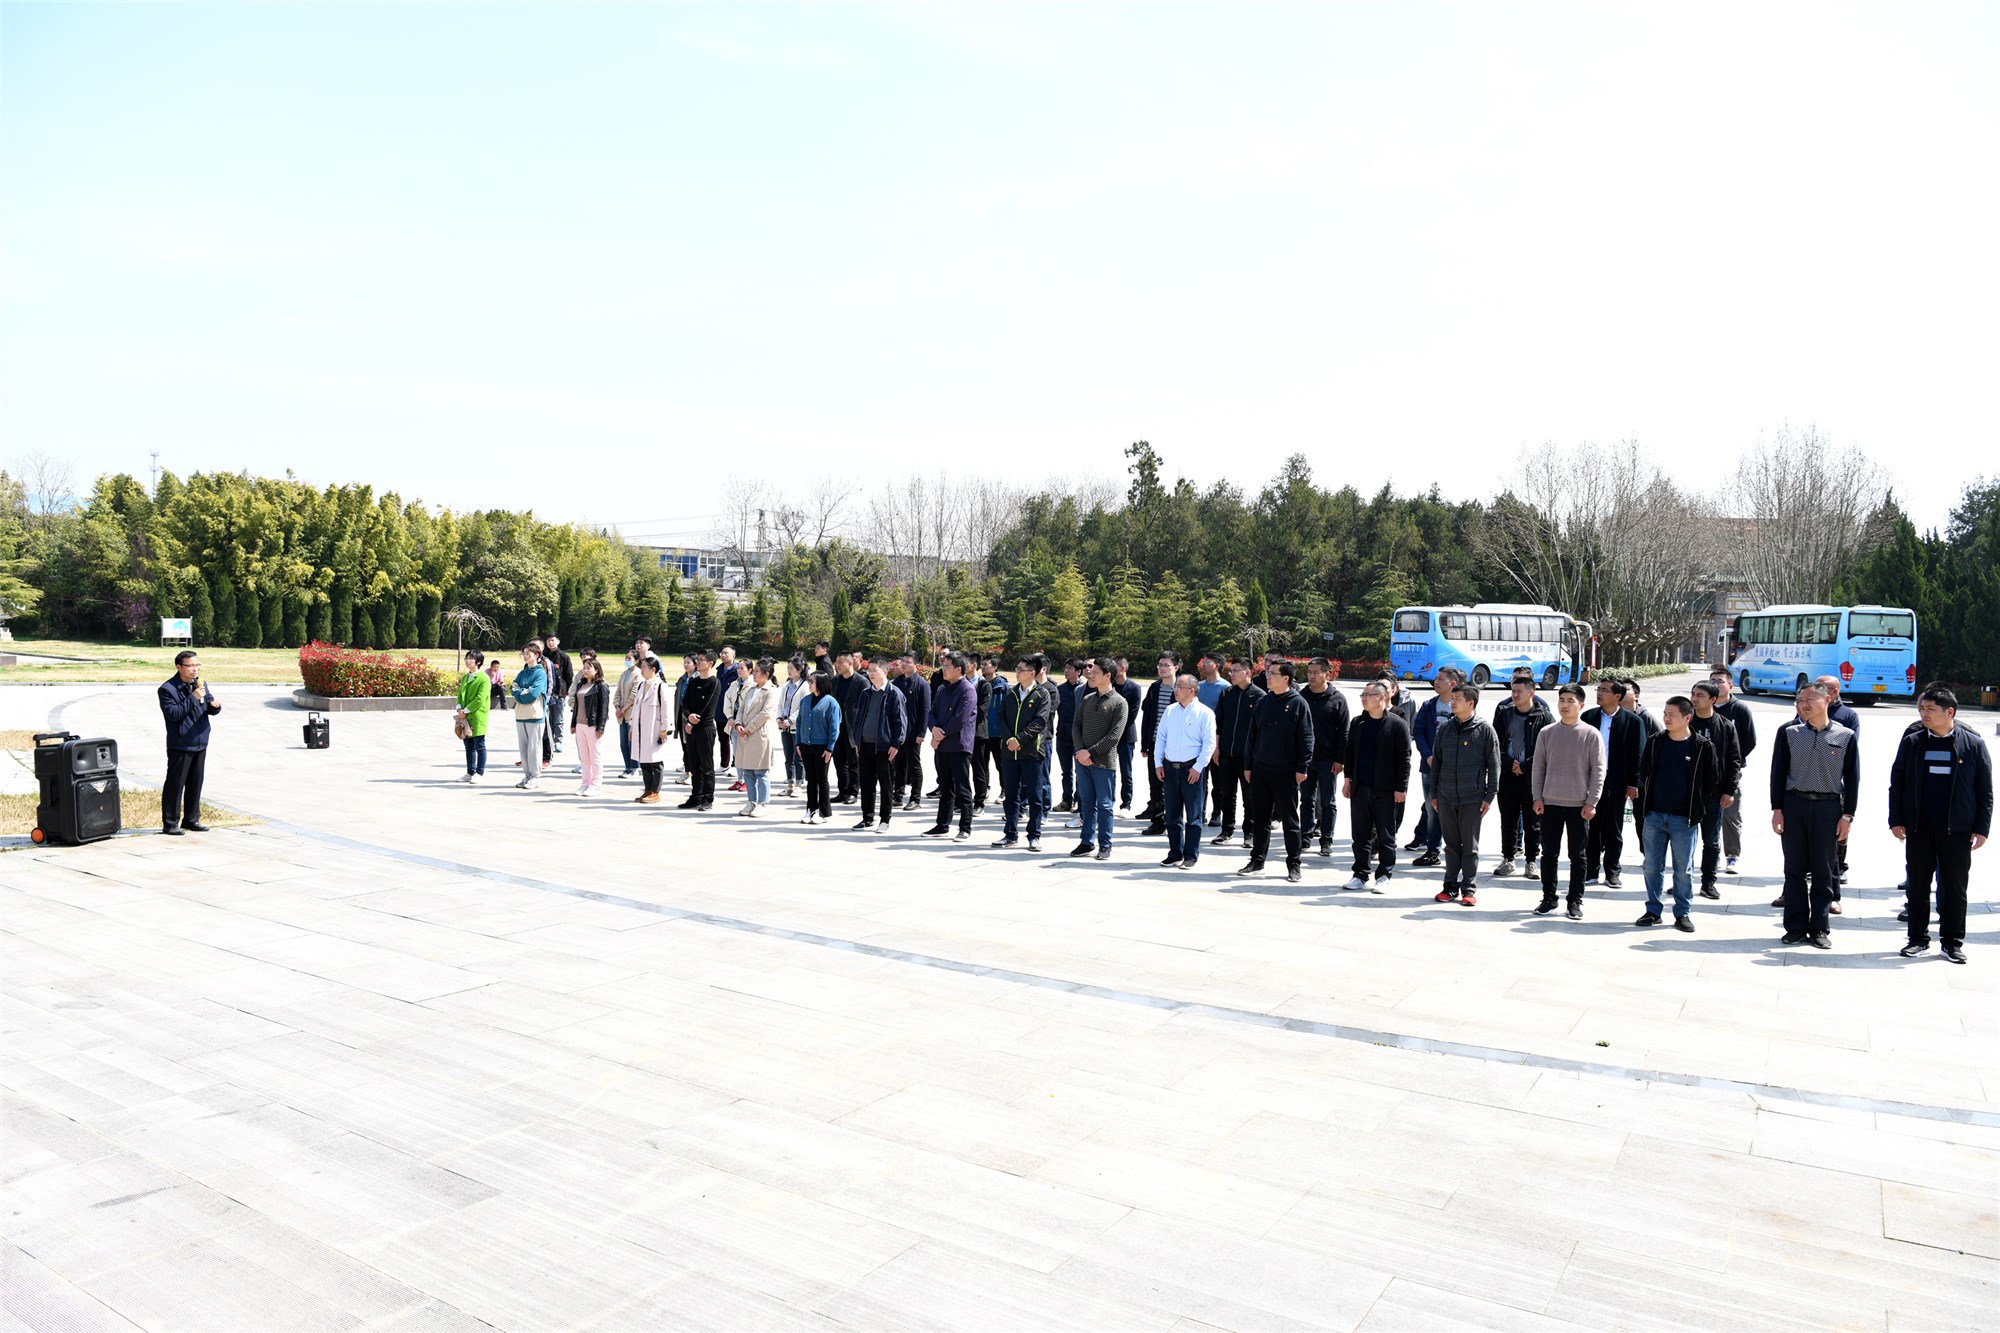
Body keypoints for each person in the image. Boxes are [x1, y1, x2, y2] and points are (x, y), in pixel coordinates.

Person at [1891, 686, 1992, 964]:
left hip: (1957, 829)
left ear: (1950, 712)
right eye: (1921, 709)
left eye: (1930, 709)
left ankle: (1952, 942)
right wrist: (1896, 819)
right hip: (1919, 827)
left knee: (1955, 888)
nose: (1924, 714)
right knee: (1917, 886)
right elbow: (1897, 782)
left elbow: (1985, 790)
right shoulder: (1912, 742)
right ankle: (1917, 939)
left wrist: (1982, 827)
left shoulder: (1973, 744)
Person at [1769, 682, 1859, 949]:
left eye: (1809, 699)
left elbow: (1853, 778)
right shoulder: (1789, 733)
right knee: (1794, 869)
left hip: (1828, 808)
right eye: (1800, 700)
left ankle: (1819, 928)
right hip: (1794, 804)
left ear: (1827, 700)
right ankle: (1795, 926)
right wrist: (1777, 809)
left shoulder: (1845, 735)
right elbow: (1777, 773)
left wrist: (1848, 815)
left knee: (1823, 870)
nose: (1803, 704)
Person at [1633, 696, 1720, 932]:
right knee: (1652, 866)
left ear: (1687, 717)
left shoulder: (1702, 747)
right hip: (1654, 815)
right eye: (1665, 713)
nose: (1666, 718)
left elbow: (1711, 781)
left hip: (1684, 818)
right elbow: (1644, 771)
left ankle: (1682, 912)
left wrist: (1696, 805)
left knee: (1683, 869)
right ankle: (1653, 910)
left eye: (1671, 714)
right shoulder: (1655, 742)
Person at [1531, 684, 1605, 919]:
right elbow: (1538, 767)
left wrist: (1592, 801)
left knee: (1578, 856)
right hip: (1550, 803)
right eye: (1562, 699)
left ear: (1581, 705)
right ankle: (1548, 898)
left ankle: (1575, 901)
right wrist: (1537, 797)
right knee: (1549, 854)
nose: (1565, 705)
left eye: (1570, 701)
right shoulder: (1547, 733)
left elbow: (1598, 770)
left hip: (1579, 805)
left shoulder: (1591, 734)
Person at [1240, 659, 1313, 882]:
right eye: (1267, 672)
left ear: (1286, 678)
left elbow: (1306, 738)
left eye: (1272, 673)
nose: (1268, 676)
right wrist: (1248, 765)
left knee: (1290, 821)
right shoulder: (1263, 701)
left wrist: (1302, 768)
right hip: (1260, 768)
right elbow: (1252, 735)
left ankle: (1294, 864)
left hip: (1286, 771)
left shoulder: (1298, 703)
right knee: (1260, 818)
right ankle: (1257, 860)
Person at [1430, 683, 1498, 905]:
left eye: (1457, 699)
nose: (1452, 702)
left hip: (1472, 798)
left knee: (1470, 846)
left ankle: (1468, 888)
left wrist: (1489, 796)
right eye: (1452, 698)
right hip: (1446, 796)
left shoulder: (1484, 730)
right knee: (1451, 845)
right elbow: (1437, 763)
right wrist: (1434, 793)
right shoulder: (1445, 729)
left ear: (1471, 703)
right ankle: (1449, 887)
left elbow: (1494, 765)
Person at [1342, 681, 1411, 890]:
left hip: (1386, 791)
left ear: (1381, 698)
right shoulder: (1358, 723)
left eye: (1367, 695)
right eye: (1362, 695)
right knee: (1360, 835)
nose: (1363, 699)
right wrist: (1347, 780)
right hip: (1360, 788)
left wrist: (1401, 788)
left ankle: (1384, 875)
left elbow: (1404, 759)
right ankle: (1360, 874)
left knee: (1386, 835)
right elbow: (1350, 752)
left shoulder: (1397, 724)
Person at [1146, 672, 1216, 868]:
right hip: (1170, 769)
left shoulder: (1204, 713)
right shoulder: (1170, 711)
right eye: (1176, 686)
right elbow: (1161, 738)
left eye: (1179, 687)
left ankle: (1190, 855)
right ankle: (1175, 852)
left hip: (1191, 769)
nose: (1175, 690)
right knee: (1172, 815)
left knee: (1193, 817)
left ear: (1191, 690)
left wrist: (1198, 767)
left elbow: (1209, 744)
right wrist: (1158, 763)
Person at [1582, 679, 1644, 890]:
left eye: (1604, 690)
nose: (1599, 693)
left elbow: (1638, 754)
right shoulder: (1588, 717)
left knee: (1613, 829)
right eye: (1598, 689)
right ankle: (1590, 871)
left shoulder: (1633, 721)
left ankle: (1612, 872)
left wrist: (1633, 783)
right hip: (1590, 779)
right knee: (1590, 827)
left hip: (1616, 781)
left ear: (1618, 696)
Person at [1685, 682, 1742, 900]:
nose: (1694, 698)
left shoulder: (1725, 726)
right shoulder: (1685, 721)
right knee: (1684, 840)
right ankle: (1683, 880)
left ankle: (1708, 882)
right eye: (1693, 694)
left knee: (1711, 840)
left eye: (1700, 695)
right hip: (1686, 792)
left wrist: (1729, 790)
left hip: (1714, 793)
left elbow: (1734, 760)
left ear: (1712, 699)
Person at [1492, 677, 1552, 878]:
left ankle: (1531, 861)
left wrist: (1526, 766)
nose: (1515, 695)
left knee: (1533, 821)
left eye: (1520, 691)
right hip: (1508, 776)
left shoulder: (1544, 717)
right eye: (1513, 691)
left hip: (1533, 777)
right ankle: (1508, 858)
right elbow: (1495, 744)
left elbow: (1548, 749)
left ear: (1531, 693)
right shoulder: (1504, 714)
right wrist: (1509, 763)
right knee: (1508, 819)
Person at [158, 649, 222, 834]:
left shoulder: (200, 684)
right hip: (181, 743)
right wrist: (193, 697)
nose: (195, 669)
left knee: (195, 783)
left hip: (200, 741)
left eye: (197, 665)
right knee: (176, 784)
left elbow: (207, 707)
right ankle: (170, 823)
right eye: (190, 666)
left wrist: (215, 707)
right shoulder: (167, 689)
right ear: (179, 667)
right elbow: (174, 713)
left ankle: (191, 820)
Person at [993, 656, 1055, 850]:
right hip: (1010, 753)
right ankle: (1010, 834)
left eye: (1021, 669)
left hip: (1032, 753)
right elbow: (1001, 717)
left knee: (1035, 796)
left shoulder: (1042, 694)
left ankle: (1034, 836)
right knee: (1011, 795)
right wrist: (1009, 740)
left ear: (1032, 673)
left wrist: (1019, 740)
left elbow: (1040, 722)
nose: (1017, 672)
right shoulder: (1011, 693)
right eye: (1017, 668)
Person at [1071, 657, 1128, 861]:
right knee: (1087, 803)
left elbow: (1114, 736)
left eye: (1095, 672)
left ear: (1108, 675)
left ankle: (1105, 844)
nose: (1090, 674)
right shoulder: (1087, 699)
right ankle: (1087, 842)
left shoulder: (1119, 702)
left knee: (1104, 805)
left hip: (1103, 763)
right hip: (1083, 761)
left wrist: (1090, 753)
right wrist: (1081, 750)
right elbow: (1076, 726)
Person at [1408, 668, 1463, 868]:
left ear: (1453, 684)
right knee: (1432, 810)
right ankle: (1433, 851)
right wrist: (1428, 755)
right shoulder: (1429, 705)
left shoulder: (1462, 705)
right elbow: (1418, 731)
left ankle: (1457, 851)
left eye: (1441, 679)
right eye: (1436, 678)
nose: (1436, 682)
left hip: (1455, 769)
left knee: (1456, 811)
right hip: (1430, 767)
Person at [923, 651, 979, 841]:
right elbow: (932, 713)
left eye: (947, 667)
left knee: (962, 788)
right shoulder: (942, 689)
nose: (943, 670)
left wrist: (940, 735)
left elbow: (960, 719)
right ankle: (942, 824)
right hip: (942, 745)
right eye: (943, 666)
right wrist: (934, 729)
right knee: (945, 787)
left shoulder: (967, 690)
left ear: (959, 669)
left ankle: (965, 827)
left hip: (959, 746)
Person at [1298, 657, 1349, 857]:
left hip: (1328, 759)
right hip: (1305, 759)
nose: (1311, 676)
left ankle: (1326, 840)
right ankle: (1305, 837)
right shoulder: (1301, 696)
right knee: (1306, 800)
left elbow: (1344, 732)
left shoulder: (1337, 699)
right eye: (1309, 672)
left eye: (1316, 672)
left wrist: (1340, 759)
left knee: (1328, 801)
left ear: (1327, 674)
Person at [1212, 658, 1265, 848]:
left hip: (1248, 758)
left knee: (1250, 797)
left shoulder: (1259, 696)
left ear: (1248, 672)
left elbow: (1261, 730)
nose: (1231, 674)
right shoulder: (1227, 693)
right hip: (1226, 754)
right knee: (1227, 795)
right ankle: (1226, 830)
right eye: (1231, 671)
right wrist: (1217, 747)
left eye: (1236, 671)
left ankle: (1249, 833)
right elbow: (1219, 723)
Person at [1709, 668, 1757, 874]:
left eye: (1720, 681)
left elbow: (1749, 741)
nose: (1716, 684)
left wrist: (1733, 760)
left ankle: (1732, 855)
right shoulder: (1702, 707)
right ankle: (1710, 854)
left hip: (1730, 771)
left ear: (1730, 685)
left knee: (1730, 814)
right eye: (1712, 681)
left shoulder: (1740, 709)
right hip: (1703, 771)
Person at [853, 661, 906, 831]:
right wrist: (857, 741)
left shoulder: (894, 693)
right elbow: (859, 718)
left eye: (874, 670)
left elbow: (900, 722)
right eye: (869, 670)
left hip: (884, 747)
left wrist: (896, 744)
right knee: (867, 784)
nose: (871, 673)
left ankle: (885, 819)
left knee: (886, 785)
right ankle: (867, 818)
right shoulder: (866, 693)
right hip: (865, 745)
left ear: (885, 671)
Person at [730, 659, 780, 817]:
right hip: (745, 734)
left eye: (757, 671)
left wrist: (748, 728)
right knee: (748, 770)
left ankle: (763, 803)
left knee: (761, 771)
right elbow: (741, 708)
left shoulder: (771, 691)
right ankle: (752, 801)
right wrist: (738, 723)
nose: (754, 674)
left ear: (766, 674)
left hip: (759, 735)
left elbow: (765, 713)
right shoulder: (752, 689)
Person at [1138, 652, 1180, 834]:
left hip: (1176, 746)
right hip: (1156, 744)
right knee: (1155, 785)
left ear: (1176, 667)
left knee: (1173, 786)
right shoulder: (1154, 688)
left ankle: (1173, 821)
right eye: (1160, 665)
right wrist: (1145, 744)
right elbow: (1147, 717)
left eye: (1166, 665)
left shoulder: (1182, 688)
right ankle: (1157, 822)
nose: (1162, 668)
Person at [794, 670, 842, 823]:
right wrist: (798, 742)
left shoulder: (831, 702)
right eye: (809, 681)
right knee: (811, 780)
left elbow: (834, 727)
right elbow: (799, 722)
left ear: (820, 683)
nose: (809, 684)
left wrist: (830, 748)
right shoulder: (805, 700)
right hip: (806, 746)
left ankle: (823, 812)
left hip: (822, 748)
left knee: (822, 779)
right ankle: (811, 809)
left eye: (812, 681)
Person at [678, 652, 720, 810]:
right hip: (691, 728)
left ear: (710, 663)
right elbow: (685, 702)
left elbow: (708, 706)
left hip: (705, 728)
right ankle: (696, 796)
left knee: (706, 765)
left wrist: (692, 722)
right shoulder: (694, 681)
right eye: (698, 659)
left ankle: (708, 798)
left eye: (702, 660)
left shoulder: (714, 682)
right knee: (694, 764)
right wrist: (688, 716)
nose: (698, 662)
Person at [626, 655, 670, 803]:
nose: (642, 669)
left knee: (655, 761)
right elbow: (636, 708)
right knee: (644, 760)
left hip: (654, 729)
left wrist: (664, 730)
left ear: (653, 669)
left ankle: (655, 791)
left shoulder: (661, 686)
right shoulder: (641, 685)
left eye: (644, 667)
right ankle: (648, 789)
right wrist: (632, 727)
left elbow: (666, 710)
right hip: (640, 728)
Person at [508, 643, 549, 790]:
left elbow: (533, 694)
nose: (525, 656)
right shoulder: (522, 673)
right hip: (520, 715)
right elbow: (513, 688)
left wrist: (521, 693)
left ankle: (535, 776)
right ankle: (527, 775)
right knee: (523, 748)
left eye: (528, 653)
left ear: (536, 655)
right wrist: (521, 692)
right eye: (523, 653)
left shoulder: (540, 673)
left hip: (535, 715)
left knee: (534, 748)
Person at [893, 653, 931, 811]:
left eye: (908, 662)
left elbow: (925, 710)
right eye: (903, 661)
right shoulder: (897, 682)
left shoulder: (922, 684)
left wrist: (921, 733)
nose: (904, 664)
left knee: (914, 765)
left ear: (916, 665)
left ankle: (915, 798)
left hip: (913, 732)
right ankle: (897, 795)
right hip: (898, 732)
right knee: (899, 764)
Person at [571, 656, 609, 796]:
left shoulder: (601, 686)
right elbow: (576, 707)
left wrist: (601, 727)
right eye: (584, 668)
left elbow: (604, 708)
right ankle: (585, 783)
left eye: (589, 668)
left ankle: (595, 785)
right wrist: (573, 723)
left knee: (595, 756)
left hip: (592, 725)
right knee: (584, 757)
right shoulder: (581, 685)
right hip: (580, 725)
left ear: (596, 670)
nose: (585, 670)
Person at [453, 649, 490, 784]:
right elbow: (460, 694)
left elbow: (480, 699)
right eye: (466, 658)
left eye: (471, 658)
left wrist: (466, 710)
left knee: (479, 745)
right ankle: (470, 772)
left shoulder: (483, 678)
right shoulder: (465, 677)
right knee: (468, 745)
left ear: (478, 662)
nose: (467, 661)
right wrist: (459, 708)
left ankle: (479, 773)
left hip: (477, 716)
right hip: (465, 716)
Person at [1112, 658, 1144, 814]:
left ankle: (1126, 804)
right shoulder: (1109, 685)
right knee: (1109, 771)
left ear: (1123, 668)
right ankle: (1108, 801)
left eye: (1115, 667)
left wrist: (1115, 731)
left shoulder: (1134, 688)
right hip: (1108, 737)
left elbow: (1132, 715)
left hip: (1126, 737)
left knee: (1126, 772)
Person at [831, 654, 863, 804]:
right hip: (837, 727)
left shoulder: (861, 681)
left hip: (853, 727)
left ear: (850, 663)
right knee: (839, 761)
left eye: (840, 662)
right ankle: (842, 791)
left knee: (853, 762)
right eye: (836, 662)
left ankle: (853, 792)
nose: (837, 665)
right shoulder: (835, 680)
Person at [614, 641, 647, 779]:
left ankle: (634, 767)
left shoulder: (638, 674)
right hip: (621, 714)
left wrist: (624, 708)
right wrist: (617, 706)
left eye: (630, 658)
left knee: (632, 742)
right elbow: (618, 692)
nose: (627, 660)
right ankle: (627, 767)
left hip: (631, 713)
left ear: (637, 660)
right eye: (626, 658)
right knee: (623, 743)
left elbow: (634, 694)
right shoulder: (624, 674)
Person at [972, 656, 1001, 813]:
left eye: (986, 664)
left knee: (1000, 764)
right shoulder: (977, 684)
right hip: (980, 731)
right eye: (982, 664)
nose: (983, 667)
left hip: (995, 731)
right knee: (982, 765)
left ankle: (1004, 789)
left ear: (995, 667)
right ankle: (985, 789)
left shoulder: (1001, 685)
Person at [1055, 659, 1083, 813]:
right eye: (1065, 668)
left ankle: (1079, 801)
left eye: (1070, 668)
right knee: (1066, 772)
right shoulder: (1060, 689)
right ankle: (1066, 800)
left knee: (1080, 772)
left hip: (1078, 738)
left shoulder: (1084, 689)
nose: (1066, 671)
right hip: (1062, 735)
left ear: (1078, 671)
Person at [780, 657, 809, 798]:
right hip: (784, 726)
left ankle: (798, 785)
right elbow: (781, 704)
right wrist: (779, 718)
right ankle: (790, 785)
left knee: (798, 757)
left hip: (796, 727)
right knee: (788, 757)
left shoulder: (805, 686)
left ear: (799, 670)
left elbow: (803, 707)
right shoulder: (786, 685)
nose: (789, 670)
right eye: (788, 667)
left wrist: (790, 720)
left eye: (791, 668)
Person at [542, 633, 573, 755]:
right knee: (547, 719)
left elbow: (569, 676)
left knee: (558, 719)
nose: (550, 643)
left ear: (558, 641)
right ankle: (547, 741)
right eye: (548, 640)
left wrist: (564, 690)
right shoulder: (543, 656)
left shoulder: (564, 657)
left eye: (553, 640)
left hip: (559, 693)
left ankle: (558, 741)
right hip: (546, 692)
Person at [713, 645, 739, 781]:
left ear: (733, 655)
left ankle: (736, 764)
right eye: (722, 653)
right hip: (720, 709)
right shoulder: (719, 670)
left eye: (726, 653)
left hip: (733, 711)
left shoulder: (737, 670)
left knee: (735, 739)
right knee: (722, 739)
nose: (723, 655)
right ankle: (724, 764)